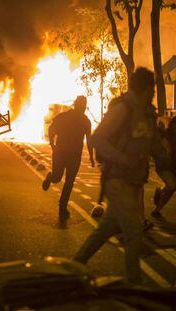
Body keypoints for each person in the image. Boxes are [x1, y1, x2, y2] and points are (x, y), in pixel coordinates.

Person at [73, 68, 176, 284]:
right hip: (117, 180)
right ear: (146, 88)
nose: (154, 93)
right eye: (153, 89)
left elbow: (154, 144)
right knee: (133, 230)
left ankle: (75, 265)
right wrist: (122, 158)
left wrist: (164, 158)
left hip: (134, 182)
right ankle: (134, 284)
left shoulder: (147, 113)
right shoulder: (123, 109)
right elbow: (97, 138)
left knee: (105, 229)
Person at [42, 96, 94, 219]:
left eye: (83, 106)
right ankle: (51, 177)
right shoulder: (64, 117)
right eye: (81, 105)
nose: (82, 108)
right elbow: (51, 129)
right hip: (61, 153)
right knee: (57, 178)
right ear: (76, 105)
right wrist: (52, 144)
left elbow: (89, 139)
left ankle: (62, 206)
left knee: (69, 181)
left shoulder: (85, 121)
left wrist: (92, 157)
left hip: (74, 155)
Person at [152, 116, 176, 219]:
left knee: (171, 188)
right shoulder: (165, 135)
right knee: (172, 186)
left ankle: (157, 209)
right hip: (164, 165)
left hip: (174, 166)